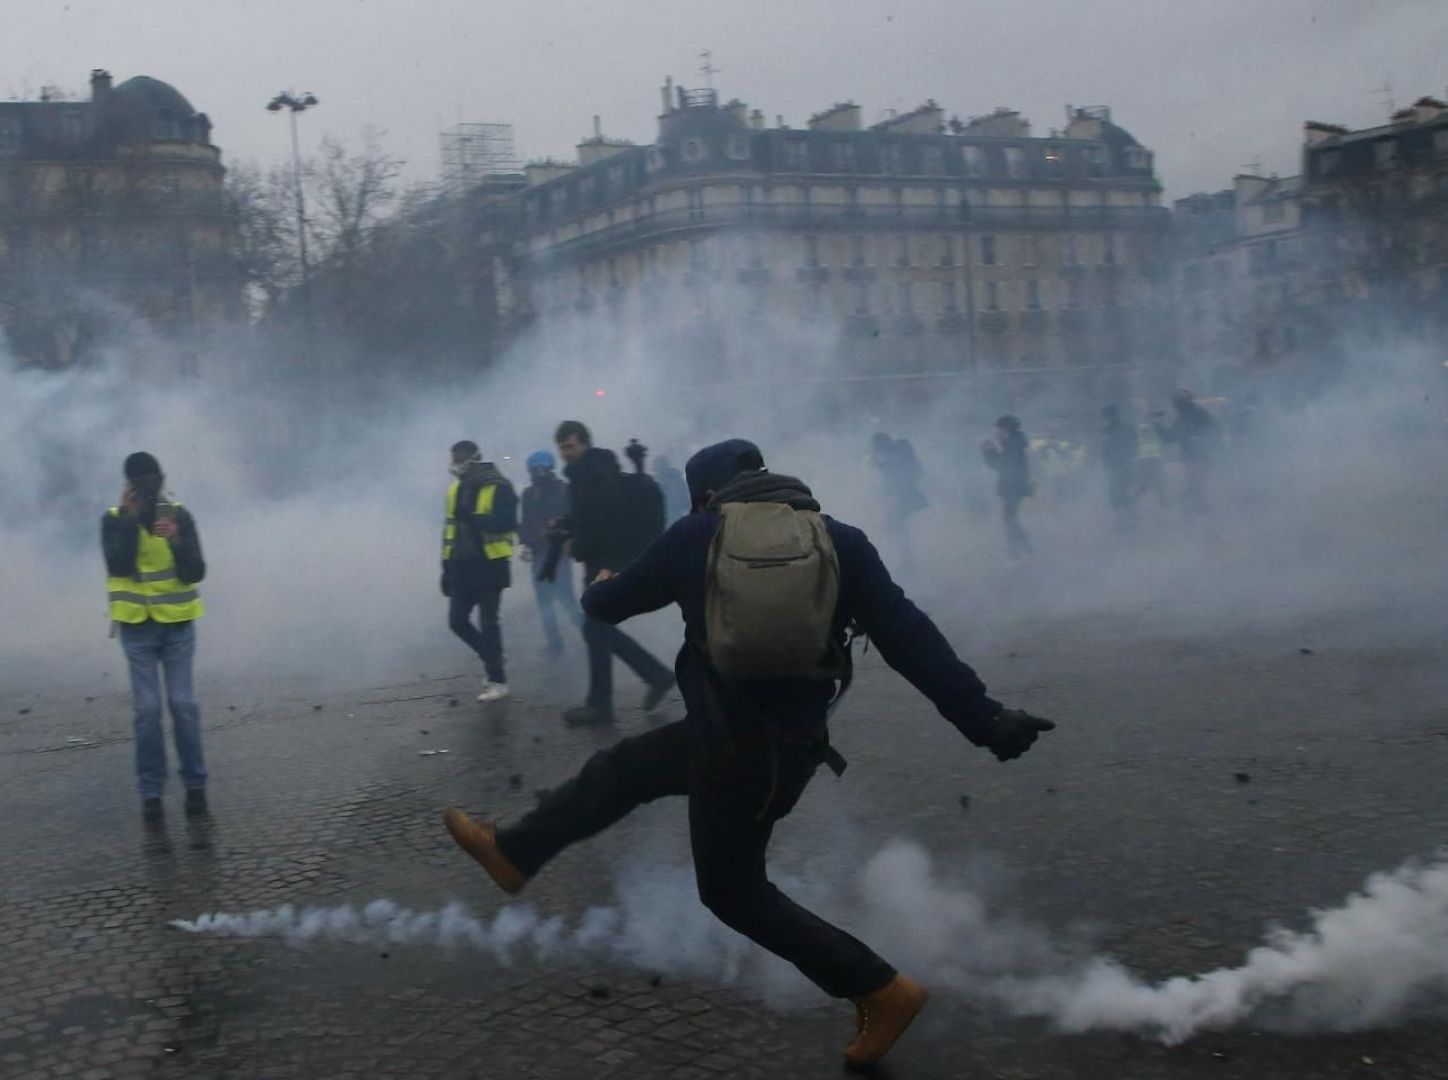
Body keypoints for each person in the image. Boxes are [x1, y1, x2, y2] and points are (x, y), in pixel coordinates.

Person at [443, 439, 1056, 1069]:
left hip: (732, 749)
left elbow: (606, 607)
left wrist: (600, 580)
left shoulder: (696, 534)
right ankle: (514, 852)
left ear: (705, 493)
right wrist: (985, 720)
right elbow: (910, 639)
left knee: (733, 892)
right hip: (782, 749)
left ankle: (880, 988)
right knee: (623, 769)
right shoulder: (839, 540)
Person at [542, 420, 675, 725]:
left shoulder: (596, 473)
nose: (566, 453)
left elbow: (612, 522)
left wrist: (610, 563)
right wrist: (565, 524)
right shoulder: (581, 475)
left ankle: (601, 704)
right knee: (596, 628)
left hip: (606, 563)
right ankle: (656, 675)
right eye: (562, 447)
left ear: (585, 443)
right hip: (597, 560)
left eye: (571, 446)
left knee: (595, 627)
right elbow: (588, 518)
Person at [102, 451, 210, 823]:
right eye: (142, 481)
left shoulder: (179, 516)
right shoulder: (114, 521)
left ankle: (195, 787)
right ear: (129, 486)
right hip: (138, 629)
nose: (151, 487)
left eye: (155, 479)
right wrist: (132, 523)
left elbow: (196, 572)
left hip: (178, 626)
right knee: (147, 711)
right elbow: (117, 564)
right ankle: (151, 794)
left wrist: (177, 540)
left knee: (182, 706)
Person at [442, 440, 518, 701]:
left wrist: (474, 518)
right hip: (461, 567)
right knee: (457, 621)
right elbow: (449, 531)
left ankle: (497, 680)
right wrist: (445, 566)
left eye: (459, 458)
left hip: (490, 565)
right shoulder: (455, 490)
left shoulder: (499, 486)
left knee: (488, 623)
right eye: (453, 458)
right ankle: (492, 655)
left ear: (474, 458)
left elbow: (508, 522)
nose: (455, 464)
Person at [518, 450, 578, 657]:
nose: (537, 473)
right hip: (537, 553)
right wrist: (525, 541)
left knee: (567, 599)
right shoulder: (528, 494)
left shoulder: (563, 490)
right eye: (534, 470)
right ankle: (554, 642)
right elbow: (525, 522)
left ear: (549, 468)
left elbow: (569, 519)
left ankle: (590, 636)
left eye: (540, 469)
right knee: (544, 601)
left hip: (557, 553)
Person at [869, 433, 928, 566]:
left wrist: (880, 465)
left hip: (906, 495)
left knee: (897, 527)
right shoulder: (894, 454)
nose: (877, 451)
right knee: (896, 528)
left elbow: (898, 471)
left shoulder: (898, 451)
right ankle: (906, 559)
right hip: (903, 496)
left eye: (877, 447)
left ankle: (908, 561)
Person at [1164, 389, 1223, 518]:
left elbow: (1216, 431)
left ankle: (1195, 514)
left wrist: (1202, 440)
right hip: (1193, 457)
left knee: (1195, 485)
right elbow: (1170, 437)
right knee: (1195, 484)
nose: (1175, 407)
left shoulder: (1194, 415)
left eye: (1177, 404)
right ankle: (1197, 511)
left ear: (1182, 403)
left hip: (1200, 457)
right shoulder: (1189, 415)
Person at [981, 415, 1034, 558]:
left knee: (1009, 521)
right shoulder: (1014, 442)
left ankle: (1021, 551)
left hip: (1013, 487)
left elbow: (1003, 466)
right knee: (1010, 520)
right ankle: (1022, 550)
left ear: (1007, 429)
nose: (996, 433)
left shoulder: (1013, 443)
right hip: (1014, 486)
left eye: (999, 429)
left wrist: (988, 452)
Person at [1098, 406, 1139, 532]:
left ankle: (1127, 521)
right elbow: (1135, 445)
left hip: (1121, 466)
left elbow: (1105, 448)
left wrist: (1107, 461)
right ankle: (1128, 518)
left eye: (1106, 416)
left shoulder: (1110, 430)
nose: (1105, 419)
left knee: (1116, 495)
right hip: (1123, 465)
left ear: (1110, 416)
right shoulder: (1124, 427)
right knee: (1121, 494)